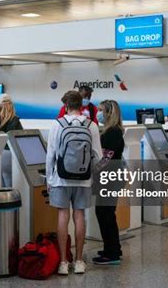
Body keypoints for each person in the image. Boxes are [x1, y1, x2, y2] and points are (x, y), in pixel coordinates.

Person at [46, 90, 102, 275]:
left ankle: (63, 262)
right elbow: (98, 156)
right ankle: (79, 261)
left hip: (61, 178)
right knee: (80, 216)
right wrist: (89, 173)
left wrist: (49, 178)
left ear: (66, 105)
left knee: (63, 216)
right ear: (81, 105)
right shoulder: (91, 125)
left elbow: (51, 155)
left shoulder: (57, 124)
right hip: (83, 179)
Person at [92, 100, 124, 265]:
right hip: (111, 178)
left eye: (101, 110)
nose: (98, 113)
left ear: (109, 113)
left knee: (105, 214)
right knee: (107, 213)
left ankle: (111, 254)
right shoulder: (112, 131)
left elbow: (106, 158)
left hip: (109, 179)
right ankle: (113, 248)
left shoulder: (112, 132)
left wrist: (92, 170)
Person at [0, 93, 23, 187]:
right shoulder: (14, 120)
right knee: (9, 180)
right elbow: (19, 138)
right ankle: (9, 200)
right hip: (8, 152)